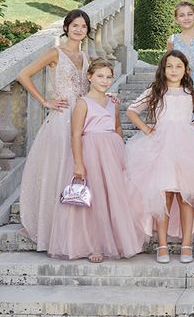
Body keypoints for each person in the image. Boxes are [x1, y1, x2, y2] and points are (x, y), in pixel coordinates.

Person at [48, 59, 148, 262]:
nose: (105, 80)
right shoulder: (83, 103)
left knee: (114, 197)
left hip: (112, 150)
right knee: (94, 201)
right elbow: (75, 134)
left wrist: (121, 150)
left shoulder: (112, 101)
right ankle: (94, 246)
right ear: (89, 77)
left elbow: (117, 126)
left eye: (109, 77)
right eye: (100, 76)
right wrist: (78, 163)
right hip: (91, 151)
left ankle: (117, 240)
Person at [125, 50, 194, 264]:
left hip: (187, 149)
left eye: (178, 66)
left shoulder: (190, 92)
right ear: (163, 70)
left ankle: (186, 245)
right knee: (163, 197)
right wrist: (147, 130)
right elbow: (131, 110)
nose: (174, 70)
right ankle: (162, 245)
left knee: (186, 198)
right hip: (161, 148)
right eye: (169, 66)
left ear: (185, 69)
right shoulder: (156, 91)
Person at [17, 9, 90, 251]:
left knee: (76, 171)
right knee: (58, 170)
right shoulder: (55, 53)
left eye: (83, 26)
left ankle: (72, 230)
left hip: (82, 118)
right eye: (75, 25)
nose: (79, 30)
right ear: (67, 27)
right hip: (61, 119)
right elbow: (23, 75)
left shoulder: (85, 57)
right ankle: (51, 232)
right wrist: (45, 101)